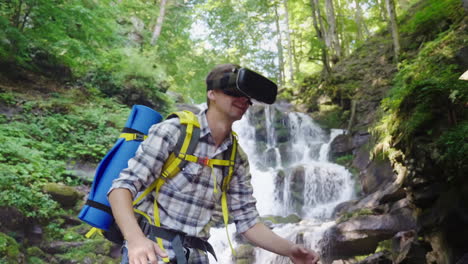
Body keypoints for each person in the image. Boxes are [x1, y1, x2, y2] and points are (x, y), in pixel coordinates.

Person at [108, 64, 320, 264]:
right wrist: (136, 240)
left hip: (197, 256)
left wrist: (291, 250)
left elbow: (248, 223)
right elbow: (121, 188)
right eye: (232, 92)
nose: (242, 100)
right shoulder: (173, 131)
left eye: (247, 96)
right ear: (212, 94)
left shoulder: (236, 157)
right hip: (152, 251)